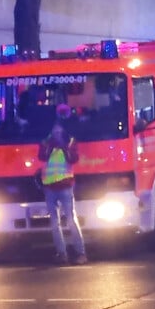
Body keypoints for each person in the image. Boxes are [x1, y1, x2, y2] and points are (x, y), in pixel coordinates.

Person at [38, 103, 87, 265]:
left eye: (59, 131)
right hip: (50, 187)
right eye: (54, 131)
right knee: (54, 223)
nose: (56, 133)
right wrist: (50, 145)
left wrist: (64, 147)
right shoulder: (47, 143)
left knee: (71, 220)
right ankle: (62, 254)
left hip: (65, 186)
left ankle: (81, 253)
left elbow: (74, 159)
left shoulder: (70, 142)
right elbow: (42, 157)